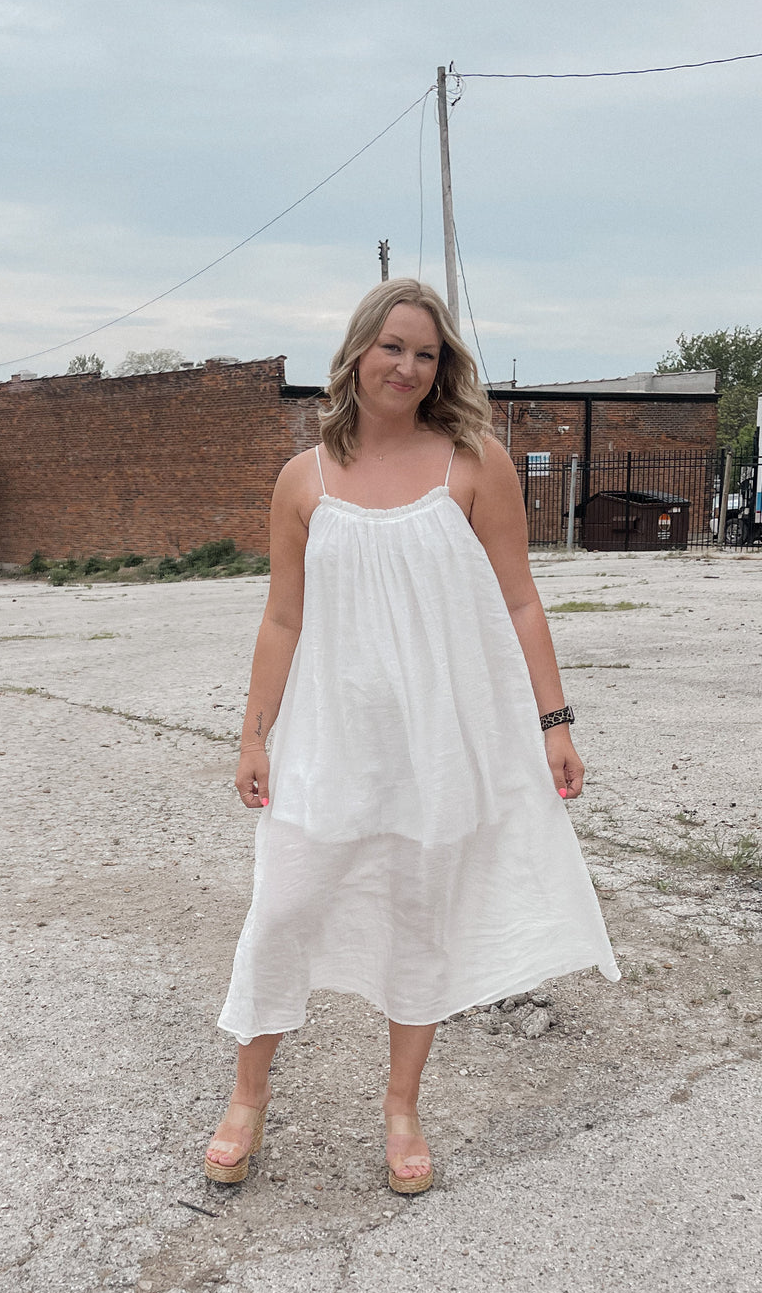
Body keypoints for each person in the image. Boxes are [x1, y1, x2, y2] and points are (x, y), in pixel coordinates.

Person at [205, 279, 620, 1194]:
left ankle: (401, 1109)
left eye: (426, 353)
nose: (408, 366)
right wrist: (253, 736)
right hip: (328, 741)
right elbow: (282, 619)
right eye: (393, 346)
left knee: (417, 924)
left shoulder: (474, 461)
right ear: (358, 352)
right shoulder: (302, 480)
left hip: (440, 744)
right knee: (282, 909)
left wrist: (554, 721)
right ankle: (247, 1098)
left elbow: (519, 598)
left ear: (444, 368)